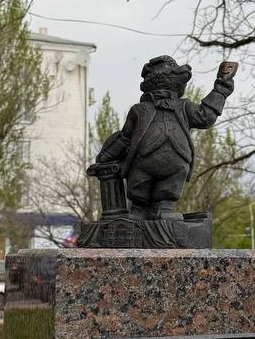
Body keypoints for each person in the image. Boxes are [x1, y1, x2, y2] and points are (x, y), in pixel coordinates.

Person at [89, 56, 236, 218]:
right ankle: (139, 208)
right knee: (139, 182)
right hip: (143, 161)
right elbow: (125, 137)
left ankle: (164, 207)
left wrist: (220, 90)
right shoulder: (139, 110)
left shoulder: (184, 106)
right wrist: (107, 155)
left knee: (171, 183)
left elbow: (205, 117)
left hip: (177, 160)